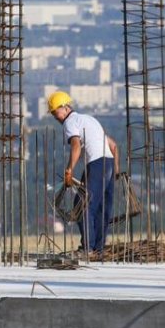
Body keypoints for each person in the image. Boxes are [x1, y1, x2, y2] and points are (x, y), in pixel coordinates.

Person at [48, 90, 120, 257]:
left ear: (65, 108)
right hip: (108, 162)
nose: (55, 117)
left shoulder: (70, 122)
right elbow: (114, 146)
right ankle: (98, 250)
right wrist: (115, 170)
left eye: (55, 112)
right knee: (101, 209)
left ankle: (87, 249)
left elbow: (76, 146)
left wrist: (69, 170)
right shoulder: (89, 119)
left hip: (96, 164)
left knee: (82, 205)